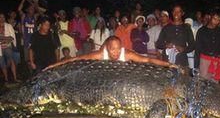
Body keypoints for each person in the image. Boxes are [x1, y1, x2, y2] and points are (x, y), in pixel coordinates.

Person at [47, 36, 177, 69]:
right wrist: (54, 65)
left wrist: (168, 64)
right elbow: (76, 59)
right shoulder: (99, 54)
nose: (115, 52)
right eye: (112, 49)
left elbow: (148, 59)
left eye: (118, 49)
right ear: (106, 48)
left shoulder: (126, 54)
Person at [194, 10, 220, 82]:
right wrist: (196, 66)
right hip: (204, 61)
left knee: (214, 85)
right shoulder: (201, 31)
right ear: (210, 17)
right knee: (202, 83)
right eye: (214, 19)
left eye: (218, 20)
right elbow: (197, 49)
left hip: (216, 62)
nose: (216, 22)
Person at [0, 12, 19, 83]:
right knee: (2, 64)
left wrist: (2, 38)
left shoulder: (8, 26)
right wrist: (6, 38)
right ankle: (6, 79)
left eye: (3, 17)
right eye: (0, 17)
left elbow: (12, 38)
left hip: (8, 47)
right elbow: (8, 38)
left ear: (5, 18)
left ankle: (15, 78)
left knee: (11, 61)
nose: (1, 19)